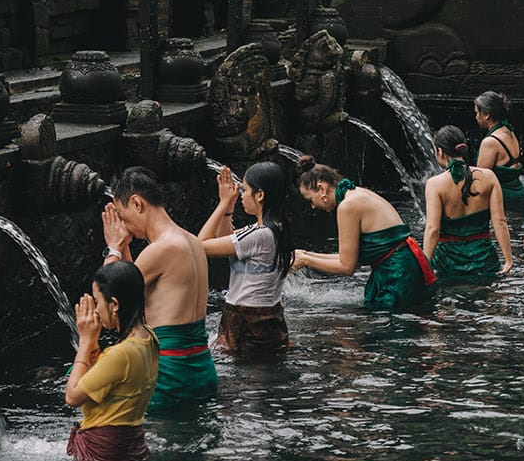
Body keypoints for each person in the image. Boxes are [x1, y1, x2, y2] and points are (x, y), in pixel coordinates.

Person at [102, 167, 217, 411]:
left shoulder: (162, 249)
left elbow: (110, 304)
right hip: (201, 370)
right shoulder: (192, 241)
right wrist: (124, 246)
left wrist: (113, 247)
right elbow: (134, 282)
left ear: (137, 203)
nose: (124, 226)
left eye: (122, 216)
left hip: (170, 377)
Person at [293, 158, 436, 310]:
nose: (313, 206)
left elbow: (347, 267)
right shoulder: (356, 193)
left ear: (321, 189)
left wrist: (305, 260)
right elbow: (349, 259)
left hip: (399, 275)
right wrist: (306, 254)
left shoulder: (347, 206)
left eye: (310, 199)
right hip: (408, 267)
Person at [65, 261, 158, 461]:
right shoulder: (150, 336)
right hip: (130, 447)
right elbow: (119, 384)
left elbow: (72, 397)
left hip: (104, 457)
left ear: (114, 304)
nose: (96, 310)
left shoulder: (120, 354)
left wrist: (86, 342)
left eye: (98, 302)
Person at [198, 161, 291, 355]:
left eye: (245, 190)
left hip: (248, 324)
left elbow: (200, 246)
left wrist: (222, 203)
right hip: (266, 321)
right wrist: (229, 209)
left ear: (260, 195)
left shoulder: (260, 235)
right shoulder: (274, 228)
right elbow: (227, 241)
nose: (241, 195)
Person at [423, 126, 512, 282]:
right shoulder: (489, 177)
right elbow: (500, 222)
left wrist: (424, 266)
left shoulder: (434, 184)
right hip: (484, 259)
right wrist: (508, 260)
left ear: (440, 152)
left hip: (448, 262)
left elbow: (433, 229)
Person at [473, 90, 524, 216]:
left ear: (486, 115)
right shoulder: (509, 131)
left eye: (477, 113)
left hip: (503, 201)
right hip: (519, 195)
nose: (476, 117)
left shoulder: (490, 142)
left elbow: (480, 181)